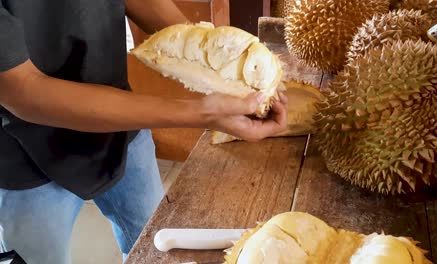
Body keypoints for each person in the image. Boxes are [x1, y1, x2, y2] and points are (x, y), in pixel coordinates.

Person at [0, 1, 288, 263]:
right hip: (26, 157)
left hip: (121, 126)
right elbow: (23, 90)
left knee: (154, 243)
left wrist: (211, 57)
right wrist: (201, 112)